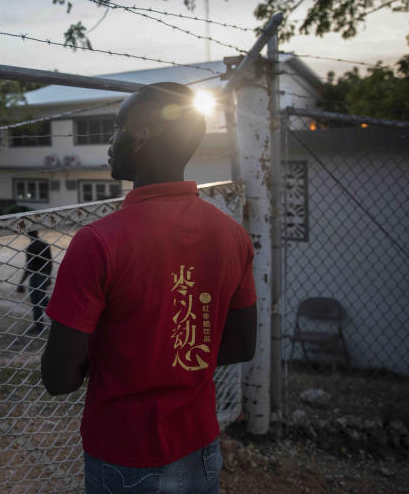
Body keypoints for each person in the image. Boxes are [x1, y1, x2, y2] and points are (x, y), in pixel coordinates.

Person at [40, 82, 257, 494]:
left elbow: (58, 377)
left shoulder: (98, 242)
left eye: (117, 128)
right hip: (200, 443)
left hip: (123, 449)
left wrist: (123, 362)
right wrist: (174, 362)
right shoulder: (232, 235)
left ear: (142, 134)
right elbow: (242, 344)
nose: (110, 141)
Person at [17, 229, 52, 335]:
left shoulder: (31, 247)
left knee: (36, 302)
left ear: (28, 234)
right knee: (42, 299)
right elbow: (50, 262)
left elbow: (29, 267)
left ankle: (39, 327)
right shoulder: (45, 245)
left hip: (36, 276)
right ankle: (56, 318)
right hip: (44, 274)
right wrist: (48, 276)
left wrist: (21, 282)